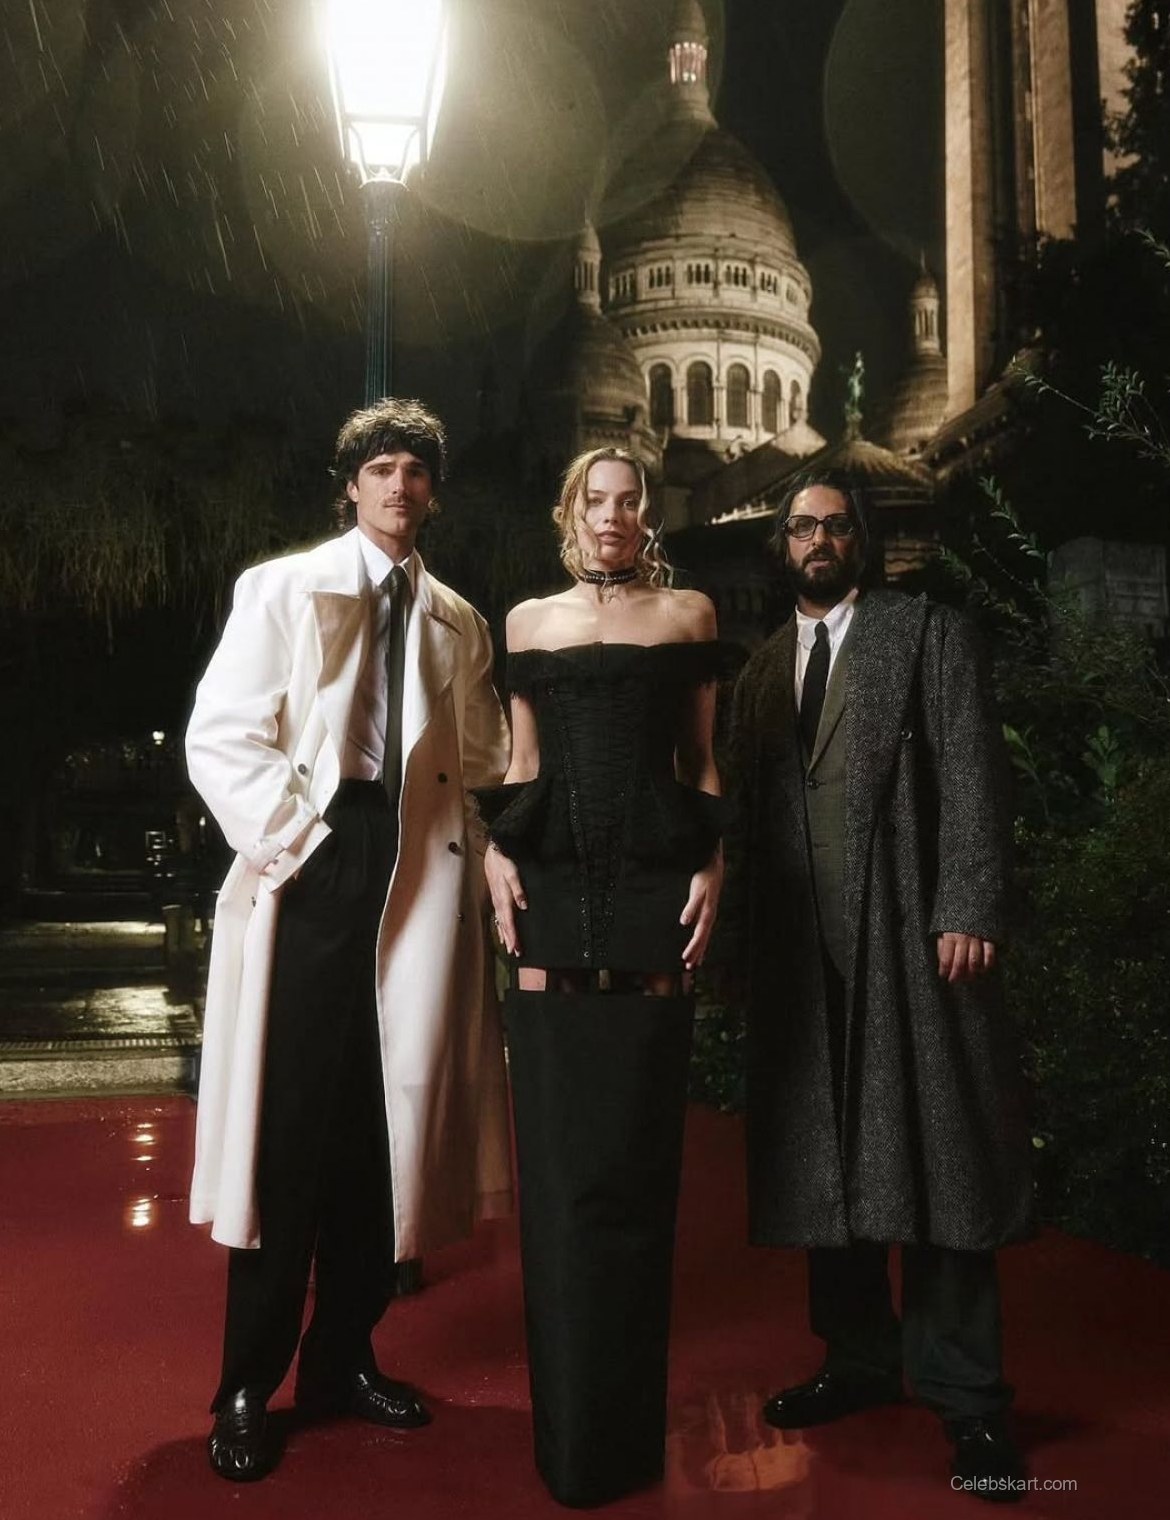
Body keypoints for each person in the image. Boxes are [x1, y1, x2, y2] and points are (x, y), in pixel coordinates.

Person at [185, 398, 512, 1481]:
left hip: (418, 865)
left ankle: (342, 1360)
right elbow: (221, 735)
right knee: (290, 1135)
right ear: (351, 485)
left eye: (417, 469)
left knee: (386, 1131)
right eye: (381, 468)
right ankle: (246, 1383)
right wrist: (302, 845)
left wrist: (481, 863)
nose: (400, 485)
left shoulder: (459, 619)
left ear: (433, 491)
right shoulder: (280, 589)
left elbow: (480, 763)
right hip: (316, 857)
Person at [726, 471, 1035, 1502]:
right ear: (782, 545)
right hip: (802, 950)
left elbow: (975, 773)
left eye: (835, 524)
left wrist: (970, 903)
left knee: (942, 1155)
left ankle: (970, 1399)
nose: (818, 540)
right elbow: (745, 822)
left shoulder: (927, 633)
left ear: (860, 539)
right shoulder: (762, 670)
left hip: (908, 929)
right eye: (800, 527)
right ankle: (858, 1358)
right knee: (829, 1158)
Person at [479, 446, 724, 1508]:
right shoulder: (528, 622)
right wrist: (493, 854)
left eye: (629, 500)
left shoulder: (690, 615)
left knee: (638, 1164)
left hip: (657, 888)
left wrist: (716, 864)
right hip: (547, 886)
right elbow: (524, 764)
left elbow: (700, 764)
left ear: (646, 513)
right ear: (570, 510)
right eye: (596, 499)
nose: (613, 515)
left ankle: (624, 1445)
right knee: (559, 1173)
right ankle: (572, 1446)